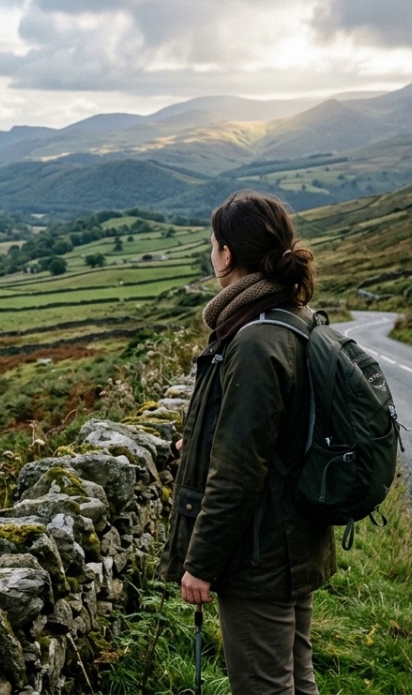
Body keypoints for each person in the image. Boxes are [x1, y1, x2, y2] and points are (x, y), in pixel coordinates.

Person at [158, 190, 336, 694]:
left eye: (213, 245)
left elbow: (240, 469)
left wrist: (201, 563)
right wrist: (192, 447)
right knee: (296, 680)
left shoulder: (255, 340)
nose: (211, 255)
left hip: (260, 553)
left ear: (227, 254)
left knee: (264, 686)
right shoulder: (291, 318)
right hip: (291, 539)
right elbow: (270, 431)